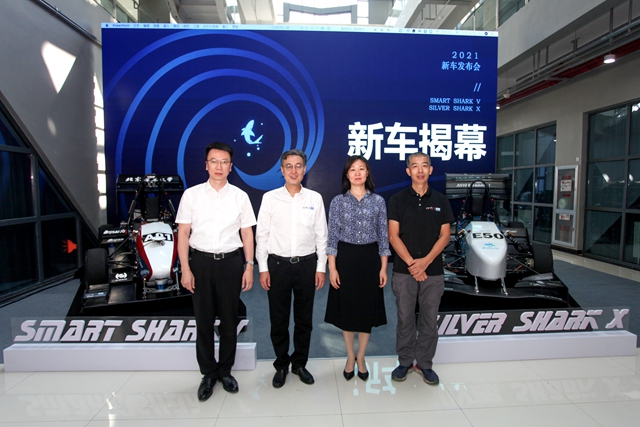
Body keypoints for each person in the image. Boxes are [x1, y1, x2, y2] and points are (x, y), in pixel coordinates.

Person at [176, 142, 256, 401]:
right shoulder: (192, 195)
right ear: (206, 165)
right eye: (214, 161)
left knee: (230, 320)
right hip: (200, 263)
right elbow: (183, 233)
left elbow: (247, 233)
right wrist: (185, 268)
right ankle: (208, 373)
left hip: (231, 263)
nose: (219, 166)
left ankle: (225, 371)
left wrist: (249, 265)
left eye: (224, 162)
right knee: (204, 321)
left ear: (231, 167)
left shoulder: (240, 197)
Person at [256, 149, 328, 388]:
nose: (294, 170)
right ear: (282, 170)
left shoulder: (314, 199)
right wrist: (263, 268)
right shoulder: (270, 198)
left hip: (307, 265)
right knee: (278, 320)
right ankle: (281, 364)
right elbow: (262, 235)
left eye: (298, 166)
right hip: (277, 266)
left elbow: (322, 236)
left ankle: (299, 363)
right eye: (289, 166)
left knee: (304, 320)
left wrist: (321, 267)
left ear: (304, 170)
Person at [387, 152, 454, 385]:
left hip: (432, 271)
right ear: (408, 171)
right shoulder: (397, 200)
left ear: (430, 170)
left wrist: (425, 262)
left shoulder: (441, 200)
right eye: (415, 166)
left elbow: (445, 236)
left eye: (424, 165)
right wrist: (412, 264)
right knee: (405, 318)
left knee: (429, 319)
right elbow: (393, 236)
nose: (420, 170)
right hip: (404, 271)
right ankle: (405, 361)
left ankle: (425, 363)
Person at [324, 155, 390, 381]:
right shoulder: (338, 201)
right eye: (353, 169)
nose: (357, 173)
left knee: (365, 310)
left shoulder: (378, 201)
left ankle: (361, 356)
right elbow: (332, 237)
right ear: (347, 174)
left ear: (367, 172)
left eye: (361, 168)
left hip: (370, 260)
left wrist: (383, 268)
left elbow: (383, 237)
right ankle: (350, 356)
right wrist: (332, 268)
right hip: (346, 259)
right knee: (347, 310)